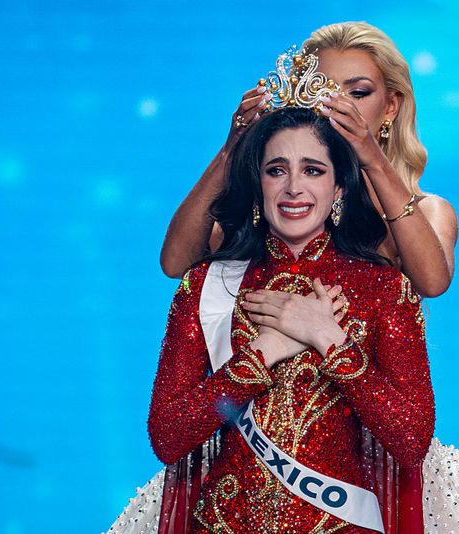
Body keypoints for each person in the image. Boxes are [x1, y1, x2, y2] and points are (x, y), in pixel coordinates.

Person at [147, 106, 434, 533]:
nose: (294, 188)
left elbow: (411, 440)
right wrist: (262, 355)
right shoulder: (210, 285)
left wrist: (329, 340)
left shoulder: (384, 289)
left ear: (339, 188)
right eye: (277, 170)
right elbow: (168, 436)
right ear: (257, 183)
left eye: (313, 170)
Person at [159, 22, 457, 298]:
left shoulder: (430, 212)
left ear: (391, 106)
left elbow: (432, 282)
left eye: (358, 93)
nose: (338, 107)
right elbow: (176, 264)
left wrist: (373, 160)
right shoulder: (281, 203)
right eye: (322, 91)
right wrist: (231, 149)